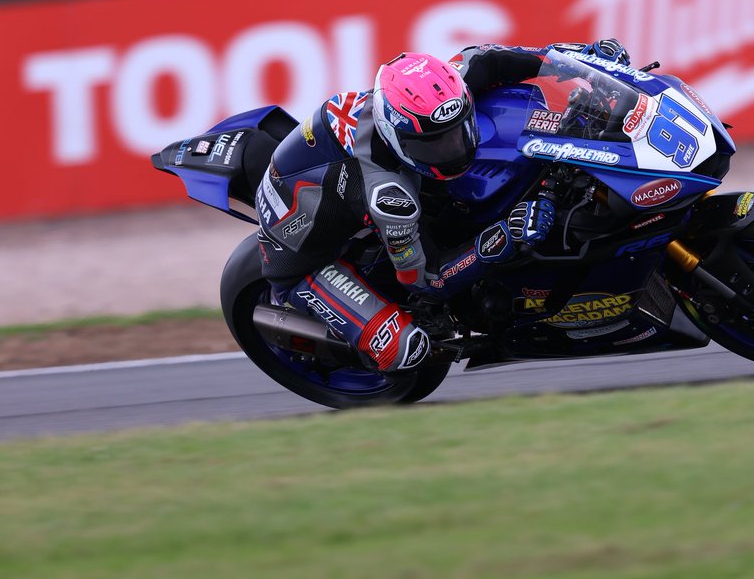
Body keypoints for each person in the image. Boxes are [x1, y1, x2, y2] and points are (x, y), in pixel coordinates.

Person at [254, 39, 630, 373]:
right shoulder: (388, 193)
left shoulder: (445, 88)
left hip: (330, 177)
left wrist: (581, 59)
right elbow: (426, 278)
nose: (454, 148)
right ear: (398, 137)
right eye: (435, 144)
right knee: (405, 350)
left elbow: (493, 58)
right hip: (300, 258)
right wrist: (502, 236)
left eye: (458, 131)